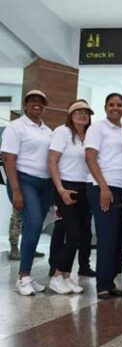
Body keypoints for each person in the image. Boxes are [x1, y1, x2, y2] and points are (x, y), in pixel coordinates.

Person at [1, 90, 53, 295]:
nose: (36, 104)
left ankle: (28, 275)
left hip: (45, 184)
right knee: (32, 223)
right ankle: (22, 277)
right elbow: (8, 159)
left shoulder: (47, 130)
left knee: (36, 227)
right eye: (32, 101)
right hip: (24, 181)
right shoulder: (15, 127)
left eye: (41, 101)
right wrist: (16, 190)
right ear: (25, 105)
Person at [84, 92, 122, 299]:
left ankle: (110, 280)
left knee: (120, 238)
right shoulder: (97, 128)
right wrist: (103, 187)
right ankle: (102, 284)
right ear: (105, 107)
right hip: (103, 187)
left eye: (119, 105)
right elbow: (90, 157)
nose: (115, 108)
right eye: (111, 104)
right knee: (107, 237)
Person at [47, 100, 94, 294]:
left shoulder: (90, 136)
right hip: (66, 186)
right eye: (78, 111)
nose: (82, 115)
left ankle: (66, 275)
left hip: (85, 188)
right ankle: (58, 274)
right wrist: (60, 189)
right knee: (72, 233)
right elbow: (52, 160)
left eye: (86, 112)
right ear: (70, 114)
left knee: (82, 234)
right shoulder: (62, 132)